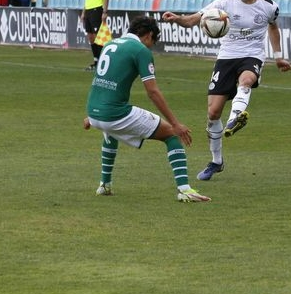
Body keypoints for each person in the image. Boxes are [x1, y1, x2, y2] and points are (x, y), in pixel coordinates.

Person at [162, 0, 291, 181]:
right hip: (226, 58)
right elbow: (194, 19)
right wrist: (177, 19)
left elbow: (273, 27)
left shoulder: (269, 7)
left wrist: (278, 56)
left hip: (252, 55)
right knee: (213, 113)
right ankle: (216, 161)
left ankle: (235, 118)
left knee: (246, 80)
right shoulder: (223, 4)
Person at [85, 16, 210, 202]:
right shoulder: (140, 50)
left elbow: (100, 82)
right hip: (113, 114)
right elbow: (152, 92)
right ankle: (185, 190)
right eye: (153, 42)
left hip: (95, 111)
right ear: (149, 35)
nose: (151, 47)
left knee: (111, 132)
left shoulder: (110, 44)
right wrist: (175, 124)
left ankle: (104, 185)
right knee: (171, 134)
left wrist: (91, 116)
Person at [81, 0, 110, 71]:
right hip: (88, 11)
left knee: (98, 37)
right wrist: (83, 12)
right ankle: (96, 61)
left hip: (96, 10)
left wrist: (105, 11)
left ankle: (103, 62)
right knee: (90, 37)